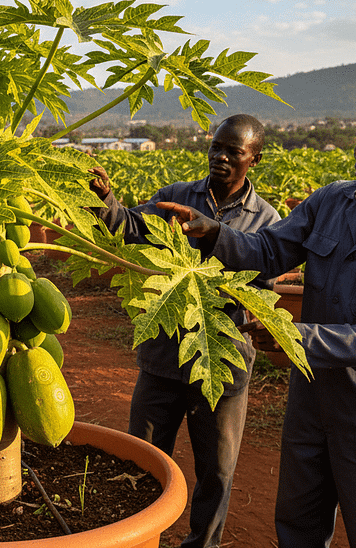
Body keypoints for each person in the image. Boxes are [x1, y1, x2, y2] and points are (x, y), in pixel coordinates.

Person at [160, 96, 356, 548]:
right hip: (311, 400)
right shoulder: (330, 202)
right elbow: (267, 251)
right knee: (298, 526)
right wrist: (215, 232)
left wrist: (295, 337)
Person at [88, 114, 280, 548]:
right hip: (163, 359)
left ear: (255, 158)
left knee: (217, 470)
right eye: (216, 147)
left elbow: (262, 289)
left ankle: (203, 544)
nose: (221, 157)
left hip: (222, 361)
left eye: (234, 151)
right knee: (143, 457)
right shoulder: (176, 197)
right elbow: (132, 226)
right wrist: (107, 201)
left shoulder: (266, 220)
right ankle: (139, 539)